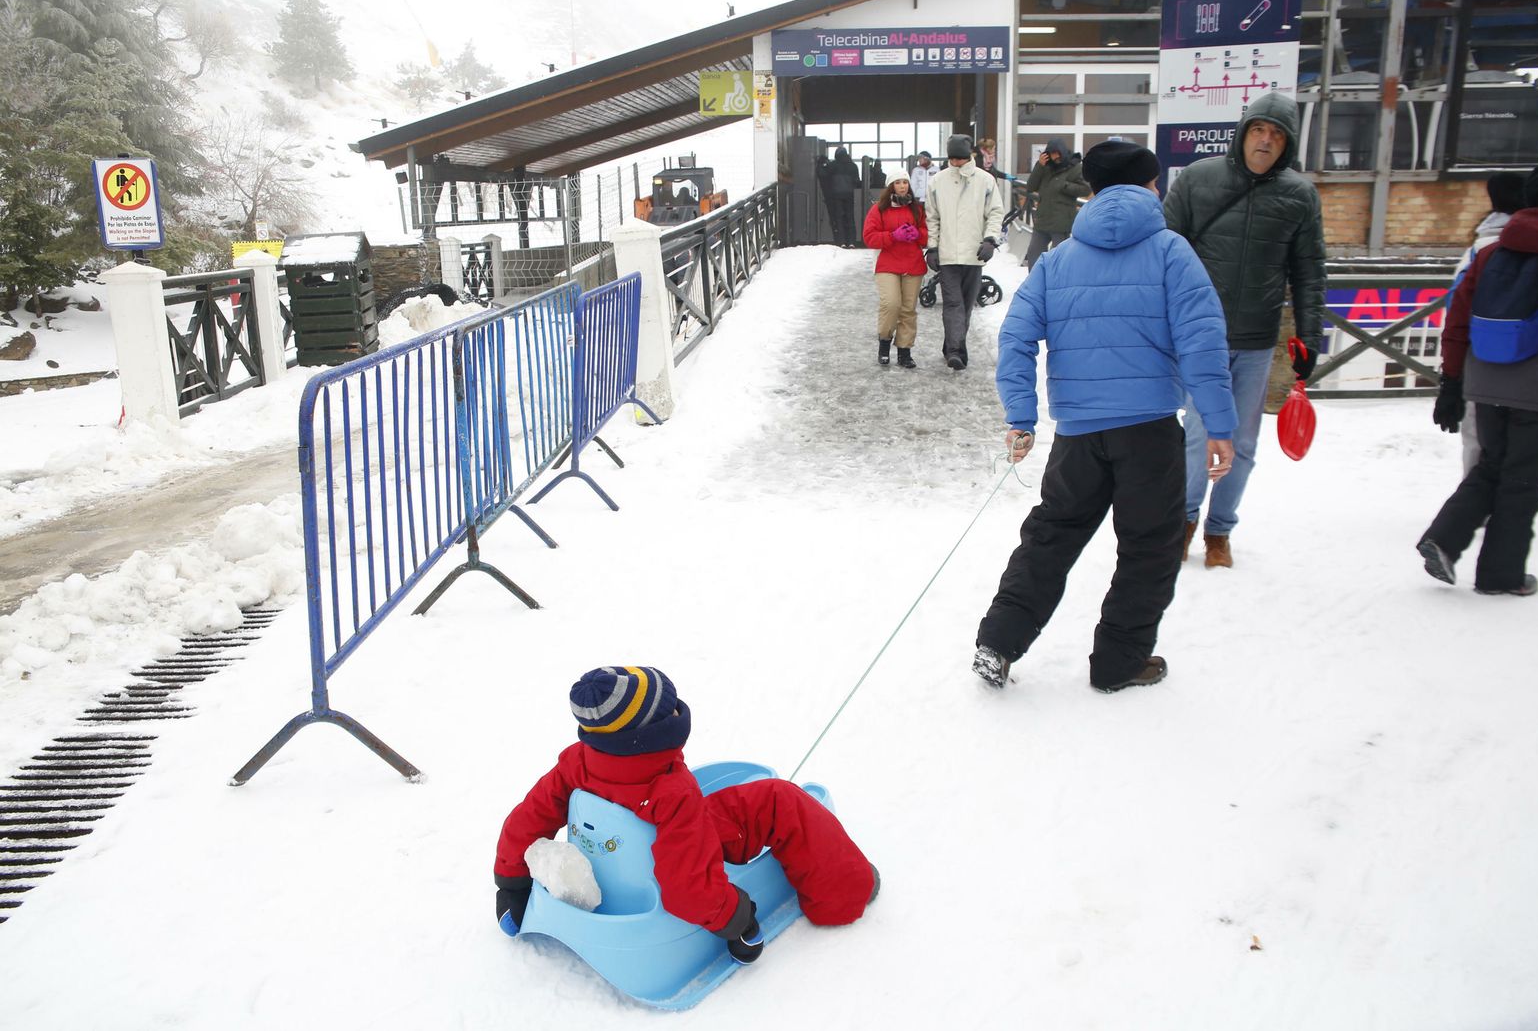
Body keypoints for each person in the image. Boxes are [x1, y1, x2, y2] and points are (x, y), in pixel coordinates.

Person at [972, 141, 1237, 694]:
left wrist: (1021, 415)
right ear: (1148, 187)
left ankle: (997, 642)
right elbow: (1202, 342)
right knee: (1149, 547)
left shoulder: (1058, 258)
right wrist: (1219, 424)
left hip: (1078, 437)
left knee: (1050, 538)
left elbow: (1017, 336)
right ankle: (1119, 662)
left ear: (1090, 189)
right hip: (1150, 433)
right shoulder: (1171, 251)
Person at [493, 666, 879, 964]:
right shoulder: (673, 793)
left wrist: (511, 883)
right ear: (658, 735)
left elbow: (530, 816)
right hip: (670, 855)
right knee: (782, 798)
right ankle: (845, 893)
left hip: (608, 855)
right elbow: (686, 886)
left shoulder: (576, 763)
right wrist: (737, 919)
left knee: (733, 799)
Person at [1416, 162, 1538, 597]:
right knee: (1522, 481)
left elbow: (1457, 321)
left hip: (1485, 378)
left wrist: (1452, 383)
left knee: (1490, 466)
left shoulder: (1491, 253)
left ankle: (1443, 538)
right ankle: (1502, 576)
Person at [1163, 91, 1327, 569]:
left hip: (1256, 340)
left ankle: (1219, 530)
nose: (1265, 141)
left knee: (1244, 443)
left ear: (1288, 144)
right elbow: (1163, 253)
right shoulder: (1198, 179)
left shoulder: (1299, 195)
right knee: (1197, 435)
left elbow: (1310, 271)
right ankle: (1185, 522)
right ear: (1243, 133)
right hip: (1199, 337)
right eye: (1259, 130)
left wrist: (1310, 338)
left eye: (1277, 135)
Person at [1451, 171, 1527, 474]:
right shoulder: (1500, 246)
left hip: (1479, 356)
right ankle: (1489, 498)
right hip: (1524, 358)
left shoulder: (1479, 245)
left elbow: (1454, 308)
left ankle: (1476, 495)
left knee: (1478, 434)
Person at [924, 134, 1004, 370]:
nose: (956, 163)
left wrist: (990, 240)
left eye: (960, 158)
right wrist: (933, 247)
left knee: (967, 304)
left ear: (969, 156)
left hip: (974, 253)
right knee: (953, 303)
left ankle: (954, 344)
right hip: (947, 254)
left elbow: (995, 213)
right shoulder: (937, 181)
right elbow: (932, 217)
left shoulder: (985, 180)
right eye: (952, 158)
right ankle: (955, 350)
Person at [861, 169, 928, 368]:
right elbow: (869, 237)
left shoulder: (917, 209)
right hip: (887, 263)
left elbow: (927, 234)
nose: (902, 186)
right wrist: (892, 236)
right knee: (891, 304)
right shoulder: (879, 209)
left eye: (905, 182)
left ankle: (904, 351)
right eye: (898, 182)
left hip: (913, 264)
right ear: (891, 186)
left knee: (908, 309)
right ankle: (884, 343)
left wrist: (917, 234)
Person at [1022, 139, 1090, 269]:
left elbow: (1086, 189)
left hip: (1061, 222)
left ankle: (1058, 285)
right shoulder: (1045, 167)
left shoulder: (1075, 167)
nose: (1055, 157)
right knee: (1033, 254)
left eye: (1057, 153)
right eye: (1052, 154)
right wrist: (1039, 166)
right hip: (1042, 220)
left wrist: (1064, 185)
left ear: (1063, 152)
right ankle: (1035, 284)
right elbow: (1030, 187)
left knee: (1060, 259)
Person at [818, 146, 862, 247]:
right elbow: (857, 181)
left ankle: (841, 241)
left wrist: (820, 163)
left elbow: (823, 175)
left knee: (839, 218)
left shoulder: (833, 165)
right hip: (849, 195)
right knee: (850, 217)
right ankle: (851, 242)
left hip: (836, 195)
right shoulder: (853, 166)